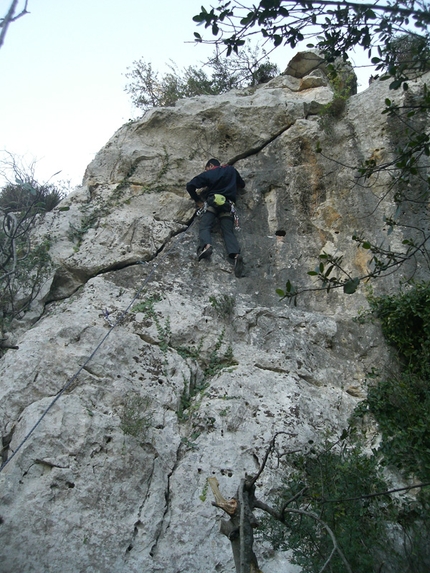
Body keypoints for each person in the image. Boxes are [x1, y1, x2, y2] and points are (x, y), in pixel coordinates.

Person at [186, 159, 245, 277]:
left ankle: (207, 246)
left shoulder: (209, 173)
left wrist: (198, 200)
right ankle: (236, 255)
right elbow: (242, 184)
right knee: (228, 231)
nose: (206, 170)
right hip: (228, 204)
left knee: (205, 226)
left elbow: (190, 185)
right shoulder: (231, 170)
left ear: (211, 165)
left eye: (206, 168)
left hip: (212, 203)